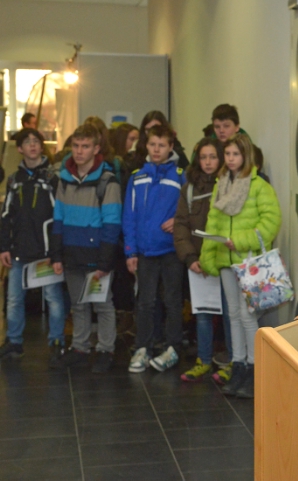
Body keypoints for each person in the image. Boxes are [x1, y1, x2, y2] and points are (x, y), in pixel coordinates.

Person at [200, 134, 281, 398]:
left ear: (245, 155)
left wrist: (240, 240)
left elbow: (271, 223)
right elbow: (213, 221)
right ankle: (239, 365)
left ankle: (255, 369)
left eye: (235, 154)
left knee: (247, 317)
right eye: (228, 154)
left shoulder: (259, 186)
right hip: (226, 259)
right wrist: (208, 255)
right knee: (233, 315)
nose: (231, 159)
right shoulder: (221, 184)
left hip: (249, 261)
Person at [51, 123, 123, 374]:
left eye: (85, 146)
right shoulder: (64, 179)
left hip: (96, 255)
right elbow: (58, 219)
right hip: (71, 252)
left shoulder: (107, 181)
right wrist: (56, 255)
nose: (79, 151)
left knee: (102, 304)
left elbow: (112, 224)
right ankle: (80, 347)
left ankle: (105, 349)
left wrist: (105, 262)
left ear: (96, 149)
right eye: (76, 146)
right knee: (78, 304)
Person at [0, 128, 66, 367]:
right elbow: (5, 216)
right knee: (14, 299)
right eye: (27, 142)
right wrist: (4, 247)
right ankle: (14, 341)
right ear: (19, 149)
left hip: (46, 253)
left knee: (53, 299)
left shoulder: (52, 178)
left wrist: (56, 252)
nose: (32, 145)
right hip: (19, 251)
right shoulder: (14, 180)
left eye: (36, 141)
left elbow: (60, 216)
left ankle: (57, 341)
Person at [124, 125, 187, 373]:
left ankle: (172, 348)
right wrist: (130, 251)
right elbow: (129, 216)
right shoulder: (137, 177)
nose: (157, 149)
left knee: (172, 301)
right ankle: (143, 348)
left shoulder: (180, 176)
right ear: (146, 146)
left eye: (162, 145)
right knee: (145, 302)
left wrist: (177, 221)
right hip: (145, 251)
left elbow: (189, 210)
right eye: (152, 144)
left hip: (171, 250)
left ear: (171, 147)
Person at [173, 137, 232, 382]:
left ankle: (232, 362)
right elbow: (181, 225)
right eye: (203, 157)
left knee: (230, 314)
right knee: (203, 313)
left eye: (213, 157)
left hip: (225, 262)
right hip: (198, 262)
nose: (208, 162)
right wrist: (190, 257)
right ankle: (204, 360)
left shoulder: (230, 185)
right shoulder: (188, 189)